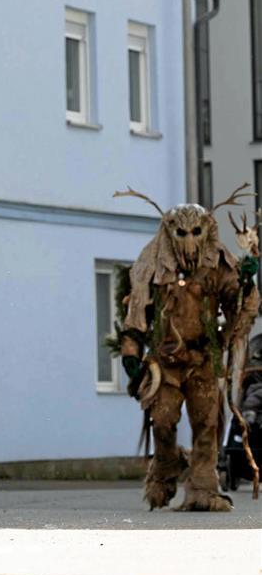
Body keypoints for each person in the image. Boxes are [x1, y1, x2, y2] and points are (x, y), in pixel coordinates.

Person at [115, 187, 259, 511]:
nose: (189, 240)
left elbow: (237, 306)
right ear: (169, 231)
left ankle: (204, 488)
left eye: (196, 231)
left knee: (206, 423)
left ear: (207, 229)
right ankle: (167, 467)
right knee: (163, 420)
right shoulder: (151, 265)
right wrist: (130, 356)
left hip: (203, 358)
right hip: (164, 361)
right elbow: (137, 313)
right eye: (181, 232)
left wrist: (247, 284)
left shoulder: (217, 263)